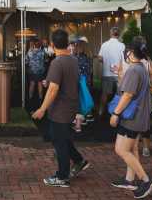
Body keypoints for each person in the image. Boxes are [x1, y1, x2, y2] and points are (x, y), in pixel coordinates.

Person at [32, 29, 89, 188]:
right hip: (71, 107)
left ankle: (62, 177)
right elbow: (64, 82)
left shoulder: (57, 62)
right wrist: (49, 83)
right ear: (67, 43)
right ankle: (79, 161)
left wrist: (42, 108)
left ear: (52, 44)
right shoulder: (73, 60)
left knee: (59, 143)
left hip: (60, 110)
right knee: (62, 138)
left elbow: (53, 89)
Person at [109, 40, 152, 198]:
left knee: (121, 149)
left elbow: (128, 94)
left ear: (131, 52)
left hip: (131, 118)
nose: (126, 54)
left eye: (127, 51)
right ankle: (130, 180)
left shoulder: (134, 70)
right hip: (139, 116)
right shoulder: (141, 68)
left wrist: (115, 113)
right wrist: (120, 74)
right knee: (131, 149)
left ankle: (145, 180)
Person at [98, 27, 125, 117]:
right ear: (119, 34)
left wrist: (105, 60)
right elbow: (124, 60)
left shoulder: (104, 45)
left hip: (107, 73)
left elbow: (100, 58)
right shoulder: (122, 45)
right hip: (119, 75)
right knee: (120, 95)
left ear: (110, 34)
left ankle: (101, 111)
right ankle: (117, 113)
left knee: (105, 94)